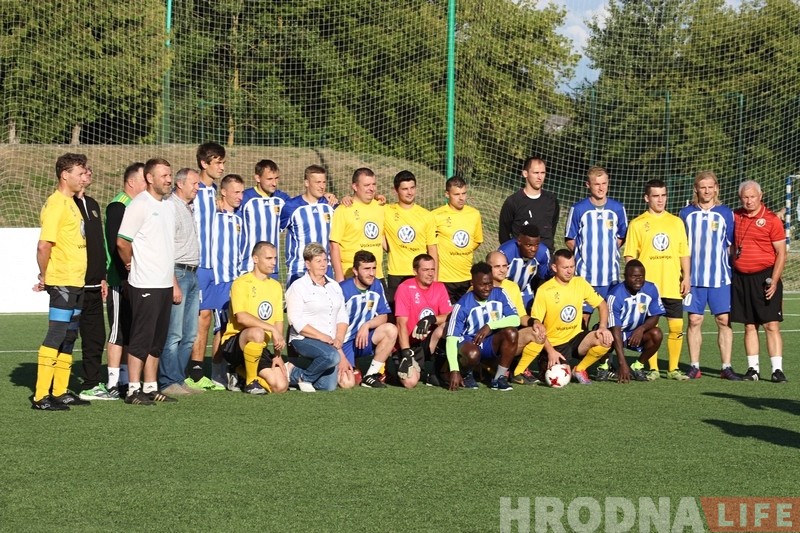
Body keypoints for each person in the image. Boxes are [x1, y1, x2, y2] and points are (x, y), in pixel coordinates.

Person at [31, 153, 90, 410]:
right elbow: (44, 245)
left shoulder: (71, 203)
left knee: (70, 335)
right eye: (79, 173)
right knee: (56, 335)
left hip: (76, 281)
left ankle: (61, 391)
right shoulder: (56, 203)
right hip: (63, 281)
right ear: (65, 175)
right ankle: (41, 396)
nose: (83, 177)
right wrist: (45, 276)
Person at [116, 158, 177, 405]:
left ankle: (151, 387)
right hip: (144, 283)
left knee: (156, 340)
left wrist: (172, 280)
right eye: (164, 175)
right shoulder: (139, 204)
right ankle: (133, 389)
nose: (168, 179)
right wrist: (131, 264)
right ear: (150, 178)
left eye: (170, 175)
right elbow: (122, 241)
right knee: (141, 338)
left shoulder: (168, 206)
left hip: (163, 283)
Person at [511, 249, 613, 385]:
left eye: (572, 267)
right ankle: (521, 370)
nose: (569, 271)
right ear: (554, 267)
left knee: (605, 339)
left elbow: (602, 304)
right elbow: (537, 328)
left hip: (575, 338)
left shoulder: (580, 283)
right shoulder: (544, 290)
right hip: (553, 344)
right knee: (559, 379)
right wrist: (551, 351)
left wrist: (603, 327)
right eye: (565, 267)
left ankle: (580, 369)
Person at [624, 179, 690, 381]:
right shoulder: (637, 223)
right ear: (647, 198)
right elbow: (629, 256)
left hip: (671, 283)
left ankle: (673, 369)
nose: (660, 200)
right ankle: (651, 368)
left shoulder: (676, 222)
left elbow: (683, 252)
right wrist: (634, 283)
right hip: (649, 288)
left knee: (677, 327)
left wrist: (686, 276)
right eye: (656, 196)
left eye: (663, 195)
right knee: (652, 329)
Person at [679, 171, 740, 380]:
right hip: (694, 279)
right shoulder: (685, 213)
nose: (706, 191)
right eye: (702, 187)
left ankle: (726, 367)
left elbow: (731, 245)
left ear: (716, 188)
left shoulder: (725, 213)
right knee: (695, 320)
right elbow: (681, 246)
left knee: (723, 320)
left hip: (720, 277)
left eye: (710, 186)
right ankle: (694, 366)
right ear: (696, 189)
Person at [731, 180, 787, 382]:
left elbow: (782, 253)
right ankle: (753, 370)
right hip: (741, 278)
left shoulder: (772, 220)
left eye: (752, 196)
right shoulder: (735, 216)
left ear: (760, 196)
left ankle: (777, 370)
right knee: (749, 325)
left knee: (771, 325)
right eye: (745, 197)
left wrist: (774, 280)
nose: (749, 200)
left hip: (765, 277)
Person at [219, 241, 289, 394]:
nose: (273, 263)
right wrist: (270, 329)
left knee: (280, 386)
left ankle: (239, 373)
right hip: (235, 345)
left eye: (275, 258)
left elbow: (278, 321)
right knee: (257, 332)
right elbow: (242, 318)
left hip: (258, 347)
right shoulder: (241, 283)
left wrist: (277, 356)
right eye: (269, 258)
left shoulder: (276, 286)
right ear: (255, 259)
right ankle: (251, 382)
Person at [564, 166, 628, 328]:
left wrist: (609, 250)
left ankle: (605, 353)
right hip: (585, 277)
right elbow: (570, 239)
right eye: (596, 184)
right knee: (582, 319)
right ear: (588, 185)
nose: (601, 188)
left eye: (604, 183)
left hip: (610, 277)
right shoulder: (578, 209)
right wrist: (584, 254)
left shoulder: (618, 208)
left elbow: (622, 235)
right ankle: (580, 352)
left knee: (610, 319)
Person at [159, 168, 203, 396]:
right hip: (179, 272)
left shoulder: (189, 207)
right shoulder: (170, 207)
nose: (198, 187)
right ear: (180, 184)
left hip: (193, 273)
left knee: (189, 334)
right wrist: (173, 280)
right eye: (194, 183)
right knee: (174, 333)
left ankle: (178, 378)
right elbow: (167, 248)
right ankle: (167, 381)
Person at [443, 262, 520, 391]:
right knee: (472, 354)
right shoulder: (462, 305)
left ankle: (499, 378)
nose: (487, 288)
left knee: (512, 333)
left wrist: (489, 326)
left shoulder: (500, 294)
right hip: (469, 343)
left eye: (490, 283)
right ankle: (466, 374)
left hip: (490, 342)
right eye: (482, 285)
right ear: (472, 283)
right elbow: (451, 339)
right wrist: (454, 370)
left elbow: (515, 319)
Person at [104, 162, 146, 397]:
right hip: (120, 279)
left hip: (135, 279)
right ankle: (112, 382)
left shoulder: (136, 206)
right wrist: (127, 272)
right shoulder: (119, 206)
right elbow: (115, 244)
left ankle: (124, 378)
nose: (147, 184)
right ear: (131, 182)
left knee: (131, 330)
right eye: (143, 180)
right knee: (118, 330)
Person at [188, 142, 226, 390]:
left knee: (219, 320)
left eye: (223, 162)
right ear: (204, 163)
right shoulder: (193, 191)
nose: (222, 167)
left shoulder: (218, 194)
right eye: (218, 162)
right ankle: (194, 372)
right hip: (198, 265)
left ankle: (214, 372)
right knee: (200, 318)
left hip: (218, 267)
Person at [74, 165, 113, 401]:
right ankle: (57, 386)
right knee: (65, 337)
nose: (89, 174)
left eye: (89, 170)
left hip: (95, 285)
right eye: (83, 171)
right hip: (72, 283)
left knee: (95, 337)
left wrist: (102, 277)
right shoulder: (67, 205)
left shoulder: (94, 204)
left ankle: (91, 384)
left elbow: (98, 245)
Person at [285, 243, 347, 391]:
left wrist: (339, 338)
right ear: (308, 264)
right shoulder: (298, 286)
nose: (323, 264)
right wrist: (322, 336)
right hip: (303, 339)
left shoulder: (334, 285)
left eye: (325, 260)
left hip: (329, 343)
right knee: (332, 357)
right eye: (318, 261)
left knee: (328, 386)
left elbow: (342, 316)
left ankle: (293, 370)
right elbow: (295, 320)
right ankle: (304, 378)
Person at [205, 174, 246, 389]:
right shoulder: (213, 215)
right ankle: (216, 371)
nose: (240, 196)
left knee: (237, 326)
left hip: (235, 282)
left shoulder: (239, 219)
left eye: (242, 192)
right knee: (220, 328)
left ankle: (234, 371)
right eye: (236, 192)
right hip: (218, 281)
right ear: (223, 192)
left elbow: (242, 250)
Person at [339, 251, 399, 388]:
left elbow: (383, 316)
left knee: (390, 329)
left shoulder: (377, 285)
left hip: (364, 339)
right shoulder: (342, 289)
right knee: (347, 383)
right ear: (355, 271)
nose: (371, 273)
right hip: (344, 343)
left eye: (373, 268)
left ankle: (370, 375)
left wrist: (367, 325)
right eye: (366, 269)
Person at [393, 253, 452, 388]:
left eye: (432, 269)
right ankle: (412, 368)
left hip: (428, 341)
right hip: (409, 343)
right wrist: (406, 353)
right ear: (415, 271)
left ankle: (437, 371)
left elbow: (449, 315)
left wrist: (430, 319)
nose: (430, 273)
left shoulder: (439, 287)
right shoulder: (405, 288)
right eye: (425, 270)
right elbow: (401, 324)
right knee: (410, 382)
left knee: (449, 326)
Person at [384, 170, 438, 305]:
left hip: (419, 273)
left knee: (421, 314)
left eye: (412, 188)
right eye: (405, 189)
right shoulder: (386, 211)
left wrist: (435, 278)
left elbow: (432, 249)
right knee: (397, 315)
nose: (409, 192)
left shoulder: (426, 215)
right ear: (395, 190)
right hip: (396, 273)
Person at [606, 260, 665, 383]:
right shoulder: (615, 295)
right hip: (615, 333)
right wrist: (623, 363)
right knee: (601, 335)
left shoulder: (651, 288)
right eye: (634, 276)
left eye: (641, 276)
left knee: (656, 334)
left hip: (636, 333)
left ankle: (637, 366)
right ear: (625, 276)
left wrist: (641, 329)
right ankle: (606, 366)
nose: (638, 280)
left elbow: (655, 315)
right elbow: (615, 329)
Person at [485, 251, 538, 385]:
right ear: (487, 267)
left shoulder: (512, 287)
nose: (502, 270)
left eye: (505, 266)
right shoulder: (480, 287)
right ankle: (484, 365)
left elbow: (521, 316)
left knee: (537, 333)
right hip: (487, 340)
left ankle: (516, 371)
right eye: (497, 266)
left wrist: (534, 322)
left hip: (509, 339)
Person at [281, 165, 338, 288]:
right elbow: (275, 230)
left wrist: (346, 199)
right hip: (300, 269)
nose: (322, 186)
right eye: (317, 182)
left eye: (324, 182)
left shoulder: (330, 205)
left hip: (325, 269)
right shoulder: (291, 207)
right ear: (306, 183)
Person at [433, 176, 483, 303]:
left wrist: (461, 250)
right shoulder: (435, 215)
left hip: (467, 277)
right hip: (444, 279)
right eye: (456, 194)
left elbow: (477, 241)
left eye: (464, 193)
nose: (461, 198)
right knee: (446, 317)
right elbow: (429, 245)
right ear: (447, 194)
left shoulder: (474, 214)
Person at [329, 168, 385, 282]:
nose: (371, 188)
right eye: (366, 185)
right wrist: (339, 277)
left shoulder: (381, 206)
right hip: (351, 275)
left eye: (374, 184)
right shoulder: (343, 210)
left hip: (377, 275)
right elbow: (334, 245)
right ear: (355, 186)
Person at [238, 159, 291, 277]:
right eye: (269, 179)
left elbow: (302, 203)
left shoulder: (281, 199)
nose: (274, 183)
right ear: (257, 178)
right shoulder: (245, 198)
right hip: (249, 266)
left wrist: (324, 197)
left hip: (272, 268)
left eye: (276, 178)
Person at [498, 157, 560, 251]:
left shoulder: (552, 200)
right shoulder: (513, 201)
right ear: (525, 174)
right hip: (520, 258)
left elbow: (552, 229)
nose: (540, 177)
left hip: (544, 259)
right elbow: (504, 234)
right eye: (535, 173)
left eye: (543, 173)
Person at [497, 225, 550, 310]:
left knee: (529, 314)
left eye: (536, 245)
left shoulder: (543, 252)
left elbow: (544, 278)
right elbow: (495, 279)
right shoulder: (506, 252)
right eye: (529, 245)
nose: (533, 249)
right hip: (503, 291)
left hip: (524, 290)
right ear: (519, 241)